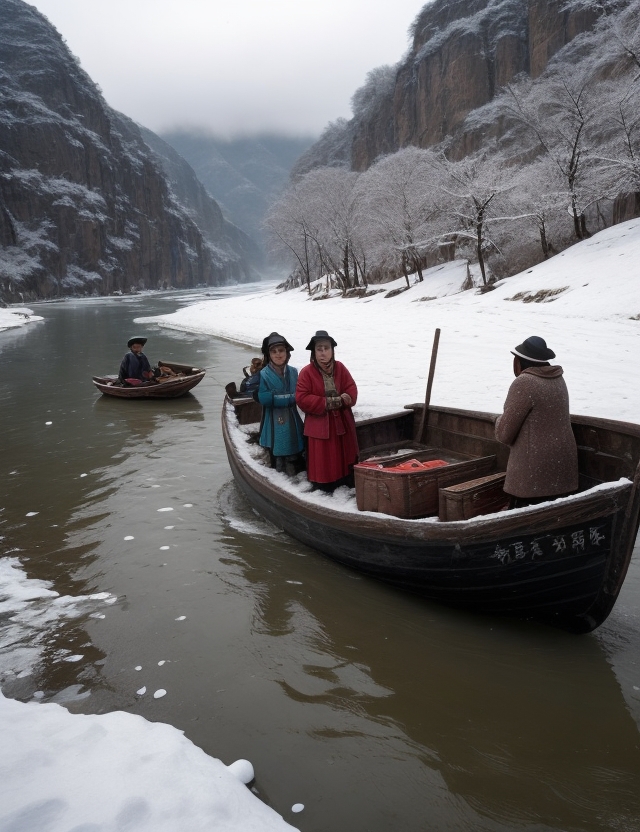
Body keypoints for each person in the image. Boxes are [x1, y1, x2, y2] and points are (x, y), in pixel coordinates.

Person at [495, 335, 578, 508]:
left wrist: (497, 421)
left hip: (534, 476)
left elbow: (504, 434)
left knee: (522, 523)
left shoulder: (525, 383)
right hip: (562, 468)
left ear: (519, 362)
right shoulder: (558, 379)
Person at [296, 330, 358, 492]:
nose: (323, 352)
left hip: (342, 421)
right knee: (324, 460)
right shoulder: (306, 372)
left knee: (344, 455)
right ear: (314, 352)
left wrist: (347, 398)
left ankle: (344, 480)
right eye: (319, 349)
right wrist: (330, 402)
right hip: (320, 424)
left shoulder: (341, 368)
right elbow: (302, 398)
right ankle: (324, 485)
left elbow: (351, 389)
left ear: (332, 350)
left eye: (326, 348)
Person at [257, 332, 304, 475]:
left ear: (287, 352)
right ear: (269, 354)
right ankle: (279, 472)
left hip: (291, 417)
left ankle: (294, 471)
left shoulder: (294, 372)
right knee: (277, 449)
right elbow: (264, 398)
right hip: (273, 419)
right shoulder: (264, 374)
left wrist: (277, 397)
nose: (278, 354)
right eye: (274, 351)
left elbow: (300, 395)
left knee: (294, 447)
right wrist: (289, 398)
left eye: (281, 350)